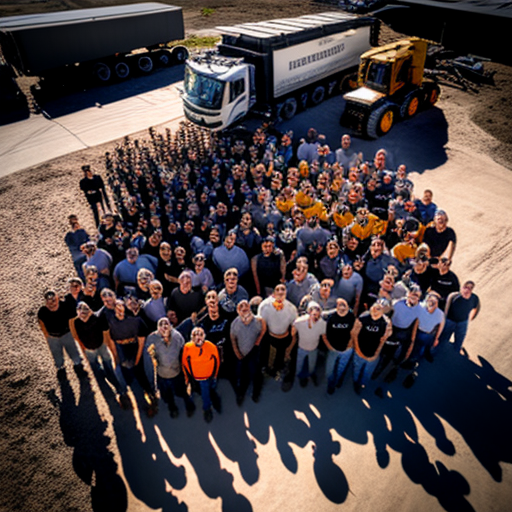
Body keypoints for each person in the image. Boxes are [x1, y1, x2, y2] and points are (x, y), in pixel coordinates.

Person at [69, 301, 130, 408]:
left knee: (109, 368)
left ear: (90, 311)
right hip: (89, 350)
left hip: (101, 346)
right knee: (96, 369)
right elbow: (77, 337)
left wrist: (112, 351)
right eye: (80, 312)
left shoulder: (98, 319)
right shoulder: (76, 323)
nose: (83, 315)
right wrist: (83, 351)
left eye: (85, 311)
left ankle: (120, 391)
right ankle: (105, 389)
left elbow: (106, 335)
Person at [145, 317, 196, 418]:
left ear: (171, 326)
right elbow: (148, 358)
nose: (164, 327)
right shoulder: (152, 339)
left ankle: (190, 407)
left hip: (177, 373)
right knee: (168, 397)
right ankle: (173, 409)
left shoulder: (177, 337)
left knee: (182, 392)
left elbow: (184, 353)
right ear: (157, 328)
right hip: (162, 375)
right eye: (161, 325)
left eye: (166, 324)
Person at [257, 284, 298, 390]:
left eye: (283, 289)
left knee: (281, 358)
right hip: (270, 338)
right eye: (277, 289)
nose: (280, 292)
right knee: (268, 358)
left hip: (284, 338)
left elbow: (294, 330)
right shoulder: (264, 306)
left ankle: (278, 371)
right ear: (273, 292)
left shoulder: (291, 308)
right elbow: (262, 326)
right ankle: (268, 371)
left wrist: (290, 347)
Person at [38, 290, 84, 379]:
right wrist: (47, 336)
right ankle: (60, 367)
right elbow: (41, 323)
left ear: (58, 298)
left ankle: (78, 364)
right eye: (49, 302)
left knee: (73, 351)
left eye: (54, 300)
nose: (52, 304)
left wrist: (74, 333)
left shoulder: (65, 306)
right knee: (56, 354)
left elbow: (72, 321)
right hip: (53, 337)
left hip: (67, 334)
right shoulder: (42, 311)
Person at [350, 299, 392, 394]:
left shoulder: (386, 323)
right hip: (359, 351)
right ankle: (355, 381)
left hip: (373, 354)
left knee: (368, 372)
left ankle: (362, 383)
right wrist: (358, 350)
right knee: (357, 368)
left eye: (380, 308)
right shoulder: (363, 318)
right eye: (376, 306)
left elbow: (383, 339)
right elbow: (354, 334)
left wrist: (376, 354)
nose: (377, 309)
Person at [182, 327, 221, 423]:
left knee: (206, 393)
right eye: (195, 335)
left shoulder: (211, 346)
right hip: (194, 377)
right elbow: (184, 363)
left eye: (200, 334)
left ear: (204, 336)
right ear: (191, 337)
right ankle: (193, 406)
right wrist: (187, 378)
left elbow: (217, 361)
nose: (198, 337)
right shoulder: (188, 347)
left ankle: (207, 409)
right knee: (195, 392)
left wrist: (215, 375)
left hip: (207, 377)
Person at [230, 300, 266, 405]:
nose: (244, 307)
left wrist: (258, 342)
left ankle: (256, 392)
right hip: (241, 353)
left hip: (254, 352)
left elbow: (263, 328)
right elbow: (233, 339)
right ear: (238, 311)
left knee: (255, 373)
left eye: (246, 305)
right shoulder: (235, 323)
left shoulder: (258, 321)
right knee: (241, 374)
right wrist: (237, 352)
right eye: (241, 306)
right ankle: (241, 393)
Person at [289, 301, 327, 388]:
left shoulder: (322, 324)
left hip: (313, 348)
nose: (315, 317)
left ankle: (310, 374)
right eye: (313, 314)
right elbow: (293, 333)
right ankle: (300, 377)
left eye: (317, 314)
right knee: (299, 364)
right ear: (309, 312)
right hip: (301, 348)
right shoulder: (299, 322)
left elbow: (324, 336)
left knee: (312, 364)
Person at [323, 298, 356, 394]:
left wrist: (350, 344)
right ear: (336, 307)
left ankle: (336, 381)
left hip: (347, 349)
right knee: (329, 370)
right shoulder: (331, 317)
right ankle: (331, 382)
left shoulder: (351, 317)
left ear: (348, 307)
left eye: (344, 305)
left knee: (341, 368)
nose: (341, 307)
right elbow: (324, 334)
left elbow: (354, 331)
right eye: (339, 305)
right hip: (333, 349)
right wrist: (329, 347)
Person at [439, 280, 480, 354]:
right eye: (465, 287)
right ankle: (440, 352)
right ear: (462, 288)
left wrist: (472, 317)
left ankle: (455, 355)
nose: (467, 290)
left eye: (470, 288)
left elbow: (476, 308)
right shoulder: (453, 296)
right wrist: (444, 322)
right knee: (443, 339)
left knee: (459, 340)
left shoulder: (474, 298)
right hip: (450, 321)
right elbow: (446, 310)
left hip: (462, 323)